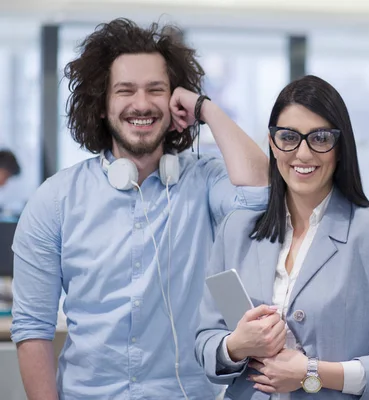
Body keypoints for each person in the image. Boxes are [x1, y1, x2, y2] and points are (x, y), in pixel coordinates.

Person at [10, 19, 268, 400]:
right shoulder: (54, 201)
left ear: (174, 100)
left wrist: (204, 107)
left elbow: (261, 189)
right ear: (101, 105)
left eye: (156, 90)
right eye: (125, 91)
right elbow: (33, 328)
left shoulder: (206, 182)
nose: (142, 104)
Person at [195, 75, 369, 399]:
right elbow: (205, 339)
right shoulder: (236, 230)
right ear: (272, 142)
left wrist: (313, 373)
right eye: (289, 137)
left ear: (340, 147)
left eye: (320, 138)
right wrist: (235, 346)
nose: (303, 153)